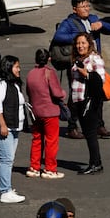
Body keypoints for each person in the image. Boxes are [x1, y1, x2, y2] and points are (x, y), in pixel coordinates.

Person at [51, 0, 110, 139]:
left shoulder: (93, 19)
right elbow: (58, 37)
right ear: (75, 9)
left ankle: (99, 126)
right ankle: (72, 127)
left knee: (98, 93)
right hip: (78, 63)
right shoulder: (69, 23)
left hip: (94, 61)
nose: (86, 9)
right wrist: (79, 36)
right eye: (82, 6)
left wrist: (102, 25)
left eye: (87, 5)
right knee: (76, 96)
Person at [0, 55, 26, 203]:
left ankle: (1, 189)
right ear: (9, 67)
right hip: (4, 128)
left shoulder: (13, 83)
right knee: (6, 159)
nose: (19, 69)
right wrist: (3, 125)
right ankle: (5, 191)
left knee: (2, 159)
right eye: (16, 66)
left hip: (14, 127)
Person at [24, 49, 66, 180]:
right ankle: (50, 168)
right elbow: (57, 93)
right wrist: (63, 93)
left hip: (36, 112)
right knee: (51, 141)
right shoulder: (49, 73)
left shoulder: (30, 74)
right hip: (50, 112)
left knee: (37, 139)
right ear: (48, 59)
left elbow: (29, 92)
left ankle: (34, 167)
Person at [71, 32, 106, 175]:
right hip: (79, 100)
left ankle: (96, 164)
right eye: (78, 43)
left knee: (91, 133)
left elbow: (101, 80)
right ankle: (95, 162)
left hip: (90, 101)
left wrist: (87, 74)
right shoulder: (78, 59)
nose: (80, 46)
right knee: (87, 133)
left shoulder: (94, 59)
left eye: (83, 43)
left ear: (89, 44)